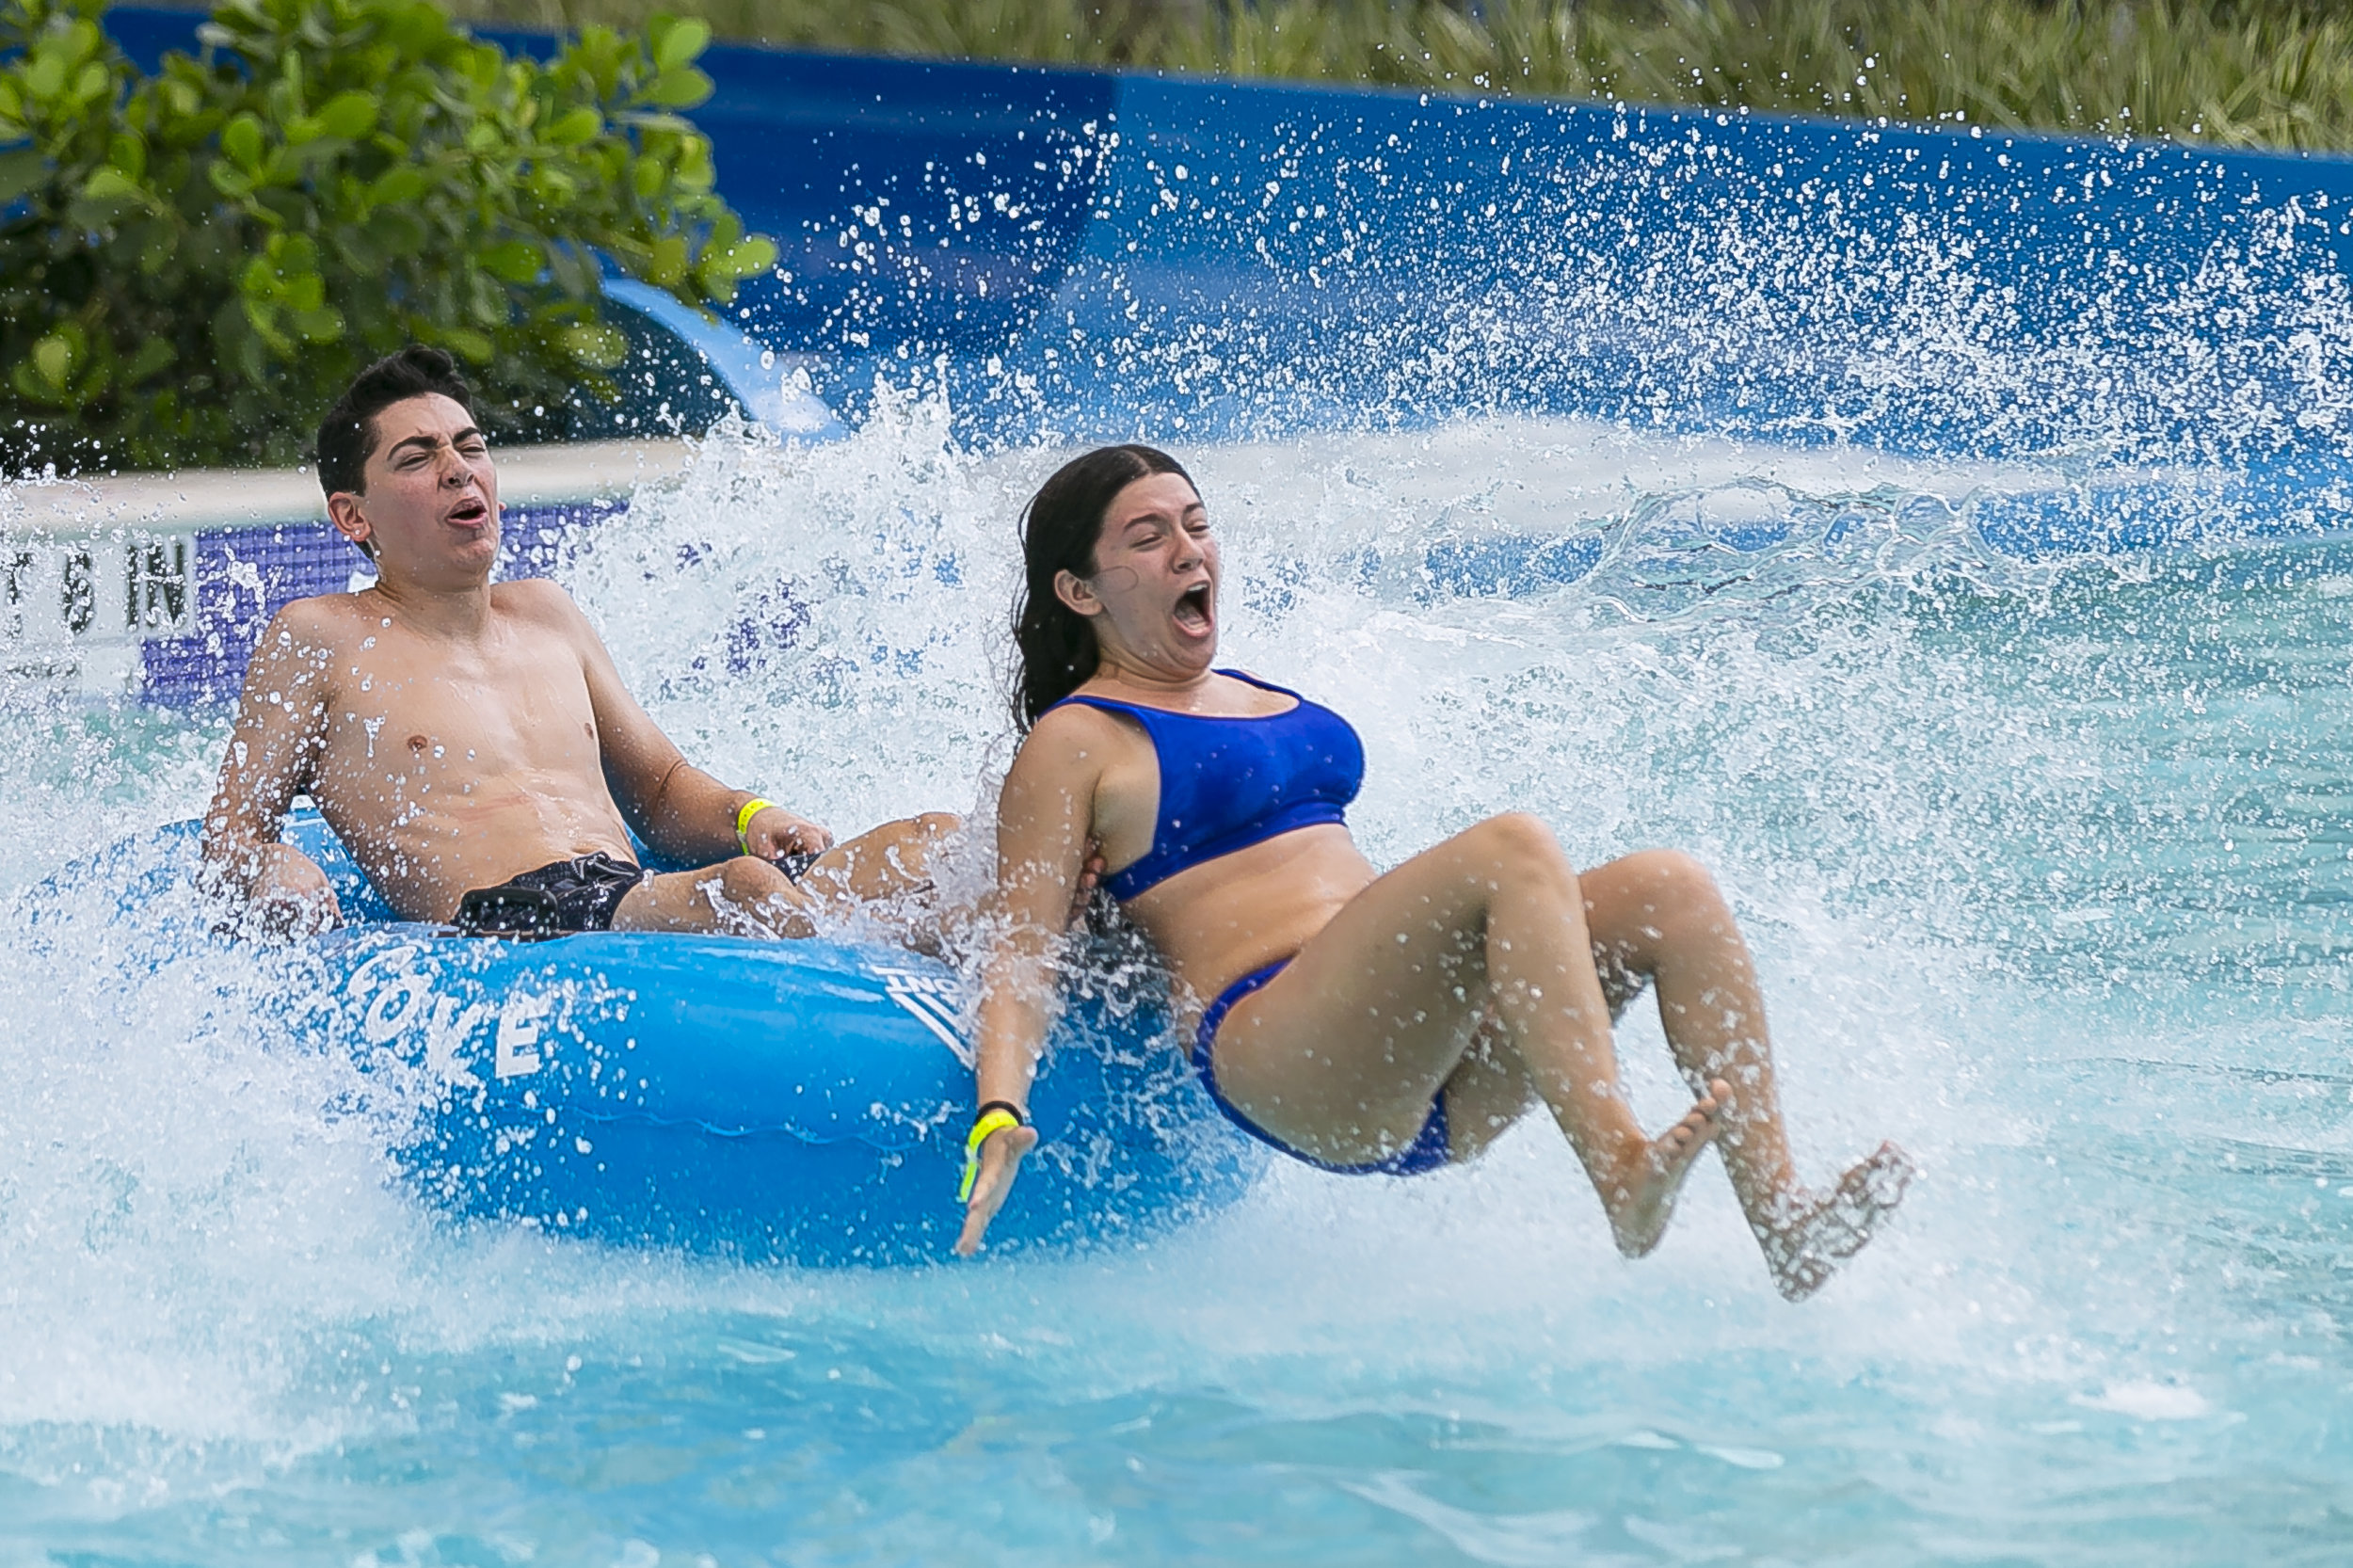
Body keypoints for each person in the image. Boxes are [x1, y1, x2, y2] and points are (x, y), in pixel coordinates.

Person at [954, 444, 1914, 1301]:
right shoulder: (1077, 739)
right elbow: (1020, 950)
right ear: (1080, 590)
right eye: (1148, 538)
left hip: (1426, 1063)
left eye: (1197, 526)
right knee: (1511, 847)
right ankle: (1619, 1167)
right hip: (1285, 1049)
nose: (1188, 552)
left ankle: (1783, 1218)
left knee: (1671, 888)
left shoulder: (1256, 691)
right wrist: (1000, 1105)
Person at [200, 344, 956, 943]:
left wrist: (749, 816)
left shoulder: (546, 614)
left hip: (628, 899)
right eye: (417, 457)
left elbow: (659, 794)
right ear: (352, 517)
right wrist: (271, 864)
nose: (459, 468)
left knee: (933, 842)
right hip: (513, 921)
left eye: (470, 446)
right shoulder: (320, 637)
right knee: (748, 893)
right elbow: (231, 835)